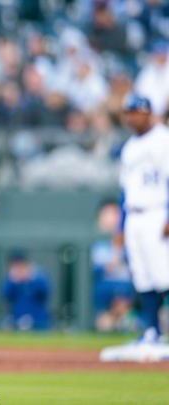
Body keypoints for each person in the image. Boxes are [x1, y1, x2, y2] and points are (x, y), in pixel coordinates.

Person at [100, 94, 169, 362]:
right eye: (129, 112)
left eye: (137, 112)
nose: (132, 117)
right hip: (135, 215)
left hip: (157, 211)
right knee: (143, 276)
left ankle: (156, 330)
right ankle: (152, 331)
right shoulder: (129, 146)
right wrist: (121, 227)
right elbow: (124, 191)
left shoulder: (163, 138)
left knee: (163, 275)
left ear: (149, 113)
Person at [91, 200, 134, 332]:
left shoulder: (132, 238)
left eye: (114, 214)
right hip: (104, 296)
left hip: (129, 294)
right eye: (107, 214)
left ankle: (126, 320)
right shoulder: (95, 241)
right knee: (104, 323)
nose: (111, 218)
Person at [0, 249, 51, 330]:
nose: (19, 268)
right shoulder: (11, 280)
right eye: (15, 265)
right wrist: (13, 280)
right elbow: (4, 295)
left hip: (38, 322)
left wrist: (32, 278)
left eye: (21, 264)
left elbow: (45, 293)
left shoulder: (39, 276)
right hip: (16, 321)